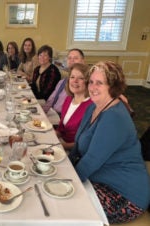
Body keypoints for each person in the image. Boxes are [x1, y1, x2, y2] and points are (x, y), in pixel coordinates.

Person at [69, 61, 150, 224]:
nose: (92, 87)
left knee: (69, 207)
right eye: (91, 82)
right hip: (98, 180)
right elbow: (77, 147)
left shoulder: (114, 117)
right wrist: (64, 167)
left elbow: (91, 160)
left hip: (124, 193)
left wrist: (67, 182)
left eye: (99, 83)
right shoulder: (93, 107)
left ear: (113, 86)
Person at [56, 63, 92, 151]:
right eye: (72, 77)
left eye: (81, 78)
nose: (75, 81)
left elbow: (86, 142)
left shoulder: (91, 106)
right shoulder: (68, 99)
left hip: (74, 151)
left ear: (87, 82)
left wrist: (63, 146)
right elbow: (61, 129)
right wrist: (52, 136)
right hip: (61, 144)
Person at [42, 48, 85, 117]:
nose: (72, 60)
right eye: (69, 58)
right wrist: (42, 113)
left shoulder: (82, 83)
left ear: (83, 61)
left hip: (63, 117)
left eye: (75, 58)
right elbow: (51, 100)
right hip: (53, 114)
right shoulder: (62, 82)